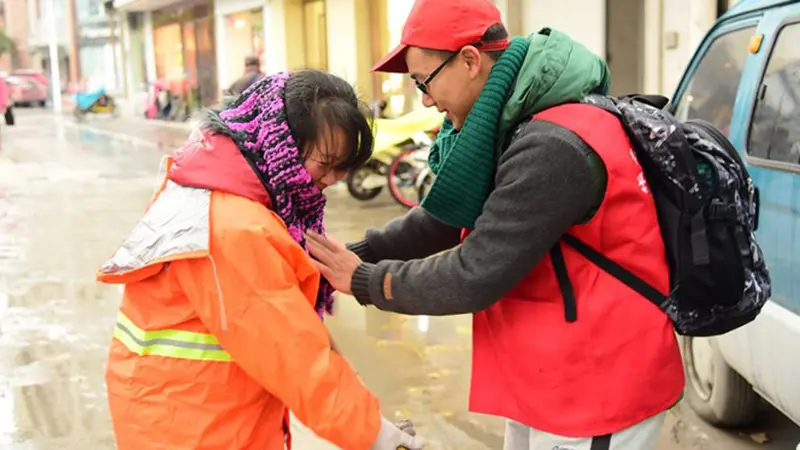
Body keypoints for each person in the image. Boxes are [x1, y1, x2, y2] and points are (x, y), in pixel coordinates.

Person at [305, 0, 685, 449]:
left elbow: (476, 272)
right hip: (546, 376)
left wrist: (367, 281)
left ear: (469, 60)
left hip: (596, 385)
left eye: (424, 82)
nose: (425, 99)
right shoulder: (510, 125)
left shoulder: (554, 145)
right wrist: (359, 254)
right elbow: (446, 219)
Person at [96, 70, 427, 450]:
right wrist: (384, 440)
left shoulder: (219, 186)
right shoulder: (235, 227)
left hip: (186, 413)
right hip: (194, 428)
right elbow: (298, 360)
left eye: (344, 167)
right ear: (279, 145)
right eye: (327, 162)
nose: (334, 179)